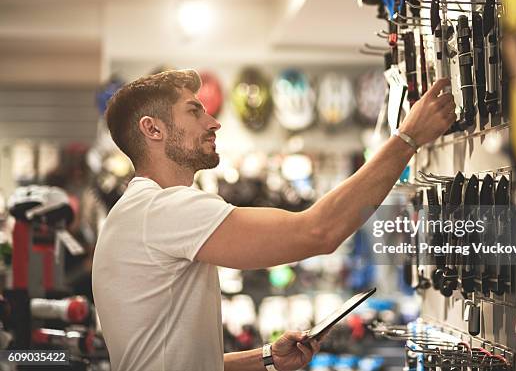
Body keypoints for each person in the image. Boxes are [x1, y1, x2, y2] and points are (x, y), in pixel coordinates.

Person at [92, 69, 455, 371]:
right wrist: (408, 138)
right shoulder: (164, 211)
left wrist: (265, 358)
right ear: (153, 129)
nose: (214, 122)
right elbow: (318, 232)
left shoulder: (137, 212)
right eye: (194, 112)